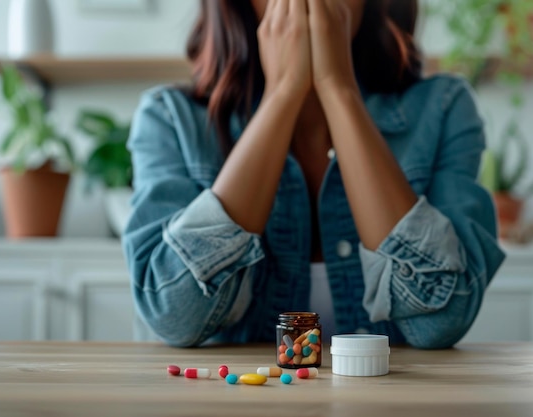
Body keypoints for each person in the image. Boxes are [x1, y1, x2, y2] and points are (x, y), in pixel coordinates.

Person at [122, 0, 505, 349]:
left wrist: (339, 90)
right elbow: (175, 316)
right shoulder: (170, 118)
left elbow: (441, 320)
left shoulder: (443, 107)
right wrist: (282, 93)